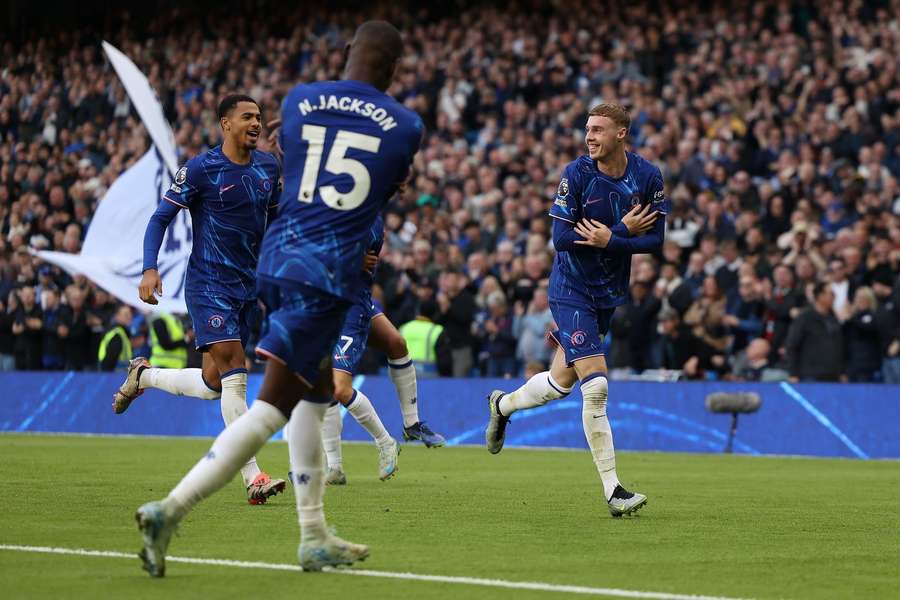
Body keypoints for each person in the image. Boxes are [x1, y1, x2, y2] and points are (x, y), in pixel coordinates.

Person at [135, 21, 421, 576]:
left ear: (345, 56)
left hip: (280, 262)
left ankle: (313, 533)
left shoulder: (300, 101)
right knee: (272, 404)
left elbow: (300, 173)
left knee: (306, 395)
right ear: (393, 71)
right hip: (324, 273)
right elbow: (380, 189)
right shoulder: (406, 126)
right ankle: (170, 510)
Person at [485, 103, 667, 517]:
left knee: (560, 382)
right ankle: (614, 490)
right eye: (587, 129)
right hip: (570, 289)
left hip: (608, 294)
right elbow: (561, 238)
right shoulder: (578, 174)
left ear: (621, 133)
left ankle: (502, 406)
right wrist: (619, 233)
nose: (589, 136)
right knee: (597, 385)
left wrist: (613, 240)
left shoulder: (647, 176)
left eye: (599, 130)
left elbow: (655, 241)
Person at [119, 94, 286, 505]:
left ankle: (145, 376)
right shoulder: (201, 168)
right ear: (224, 123)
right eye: (247, 116)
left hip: (248, 288)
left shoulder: (269, 168)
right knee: (235, 368)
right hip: (209, 283)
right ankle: (253, 476)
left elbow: (279, 223)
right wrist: (149, 268)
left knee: (215, 384)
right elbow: (160, 218)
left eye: (259, 117)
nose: (256, 123)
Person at [322, 215, 446, 486]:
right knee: (395, 344)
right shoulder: (324, 205)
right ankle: (335, 467)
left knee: (340, 388)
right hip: (321, 304)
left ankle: (388, 440)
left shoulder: (367, 217)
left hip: (349, 306)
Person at [784, 282, 844, 382]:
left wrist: (842, 371)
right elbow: (792, 345)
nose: (834, 297)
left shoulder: (833, 318)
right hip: (810, 374)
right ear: (820, 296)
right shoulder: (804, 317)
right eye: (831, 294)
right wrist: (793, 373)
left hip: (833, 374)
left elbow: (839, 346)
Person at [98, 305, 135, 372]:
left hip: (118, 373)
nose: (129, 317)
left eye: (130, 314)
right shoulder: (117, 334)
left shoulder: (121, 332)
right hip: (115, 374)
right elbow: (110, 359)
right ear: (117, 316)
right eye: (126, 315)